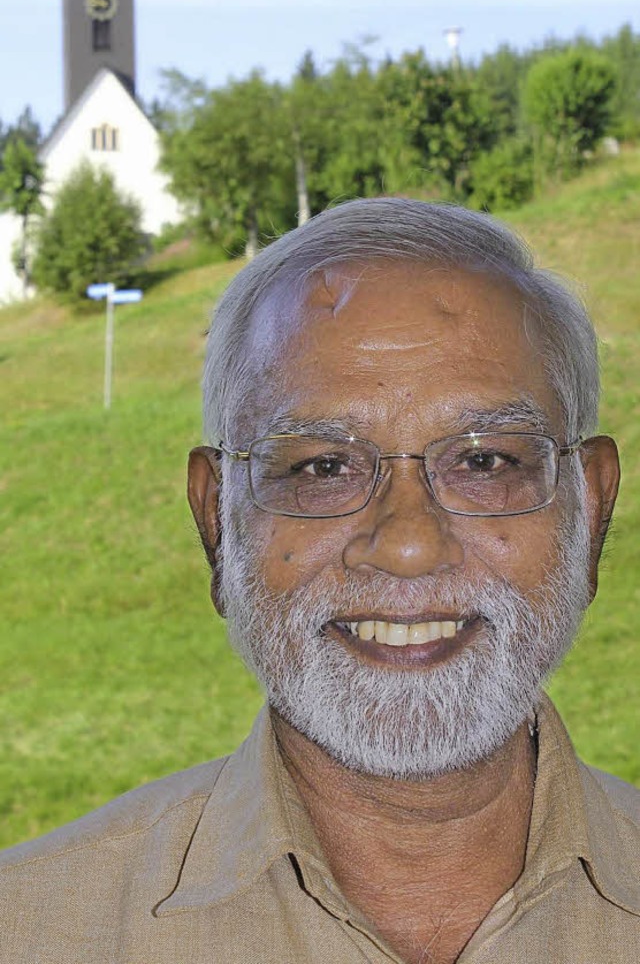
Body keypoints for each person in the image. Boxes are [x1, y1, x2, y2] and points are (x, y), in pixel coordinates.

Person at [1, 197, 638, 964]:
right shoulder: (29, 928)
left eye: (486, 461)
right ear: (218, 522)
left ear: (591, 508)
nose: (407, 545)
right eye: (321, 467)